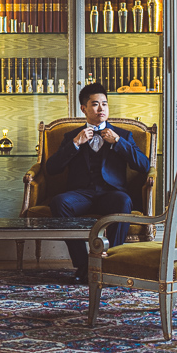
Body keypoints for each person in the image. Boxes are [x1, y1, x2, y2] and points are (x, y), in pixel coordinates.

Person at [46, 82, 151, 283]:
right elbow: (52, 169)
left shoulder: (124, 135)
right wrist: (75, 144)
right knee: (59, 203)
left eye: (104, 103)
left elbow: (144, 166)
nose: (101, 108)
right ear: (84, 108)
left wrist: (119, 142)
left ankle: (110, 262)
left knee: (123, 202)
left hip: (111, 194)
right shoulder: (71, 136)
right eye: (95, 104)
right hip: (81, 195)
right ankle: (84, 265)